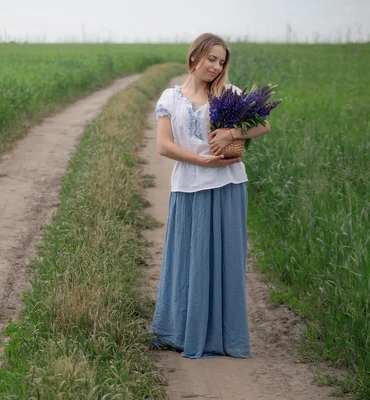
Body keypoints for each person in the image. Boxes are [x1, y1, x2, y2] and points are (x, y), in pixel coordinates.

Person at [150, 33, 271, 359]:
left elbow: (264, 125)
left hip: (229, 186)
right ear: (194, 57)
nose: (217, 67)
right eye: (211, 59)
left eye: (221, 61)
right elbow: (164, 146)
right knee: (189, 261)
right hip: (188, 187)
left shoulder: (229, 94)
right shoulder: (170, 98)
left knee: (227, 260)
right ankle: (180, 332)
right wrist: (203, 160)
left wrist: (232, 132)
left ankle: (223, 338)